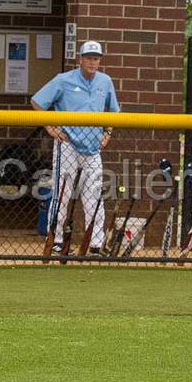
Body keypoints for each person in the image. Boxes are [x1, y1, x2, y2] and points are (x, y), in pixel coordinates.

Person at [31, 40, 120, 255]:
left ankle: (95, 244)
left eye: (96, 58)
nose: (92, 62)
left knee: (94, 196)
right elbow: (37, 102)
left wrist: (107, 132)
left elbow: (114, 111)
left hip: (92, 147)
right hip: (67, 144)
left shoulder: (105, 81)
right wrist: (51, 128)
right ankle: (57, 240)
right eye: (88, 58)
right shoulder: (64, 80)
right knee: (62, 194)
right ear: (80, 59)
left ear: (100, 60)